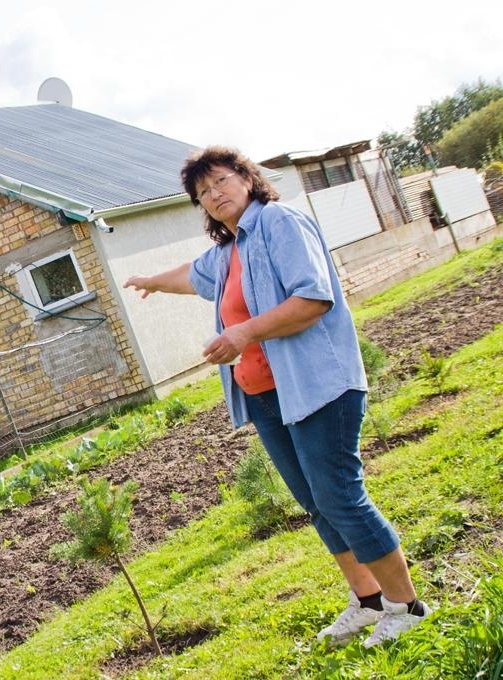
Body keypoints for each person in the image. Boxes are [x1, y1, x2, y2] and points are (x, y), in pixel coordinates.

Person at [123, 146, 430, 648]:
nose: (214, 195)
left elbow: (312, 299)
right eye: (203, 193)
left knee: (339, 495)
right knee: (315, 502)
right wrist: (152, 281)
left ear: (246, 177)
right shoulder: (229, 251)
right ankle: (369, 601)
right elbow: (193, 275)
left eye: (220, 181)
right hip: (268, 396)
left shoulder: (280, 223)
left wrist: (242, 335)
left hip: (317, 384)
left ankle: (407, 605)